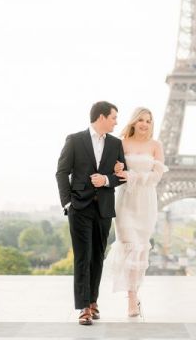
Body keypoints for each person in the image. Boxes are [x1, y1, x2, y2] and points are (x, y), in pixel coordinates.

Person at [55, 101, 127, 326]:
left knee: (97, 257)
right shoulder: (74, 140)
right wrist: (67, 203)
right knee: (83, 258)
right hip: (80, 208)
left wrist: (106, 179)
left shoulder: (116, 144)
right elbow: (62, 172)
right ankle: (84, 307)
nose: (116, 121)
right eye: (114, 117)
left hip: (103, 209)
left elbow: (123, 174)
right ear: (102, 117)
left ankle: (93, 301)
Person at [108, 107, 168, 317]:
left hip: (145, 202)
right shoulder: (120, 143)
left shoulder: (156, 145)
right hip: (126, 201)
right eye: (141, 119)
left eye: (149, 121)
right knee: (128, 247)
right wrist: (116, 171)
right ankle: (131, 298)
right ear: (134, 122)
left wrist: (133, 176)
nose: (144, 124)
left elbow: (157, 175)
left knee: (139, 249)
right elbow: (112, 169)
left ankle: (133, 297)